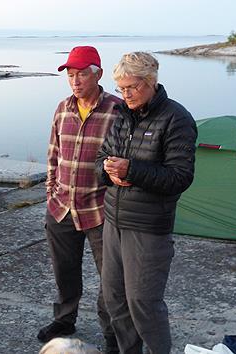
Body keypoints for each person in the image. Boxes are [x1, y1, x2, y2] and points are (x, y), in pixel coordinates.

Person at [96, 52, 197, 354]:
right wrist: (108, 171)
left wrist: (132, 171)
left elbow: (180, 177)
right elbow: (101, 159)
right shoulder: (121, 115)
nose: (125, 95)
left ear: (151, 81)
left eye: (132, 87)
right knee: (114, 298)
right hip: (114, 220)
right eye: (121, 89)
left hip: (149, 226)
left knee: (143, 302)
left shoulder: (177, 119)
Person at [39, 46, 121, 353]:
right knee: (65, 272)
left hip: (100, 211)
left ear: (97, 74)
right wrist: (50, 195)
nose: (75, 81)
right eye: (71, 75)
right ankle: (64, 319)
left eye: (82, 74)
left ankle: (112, 332)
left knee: (111, 279)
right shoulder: (63, 108)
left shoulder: (117, 109)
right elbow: (53, 155)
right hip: (61, 209)